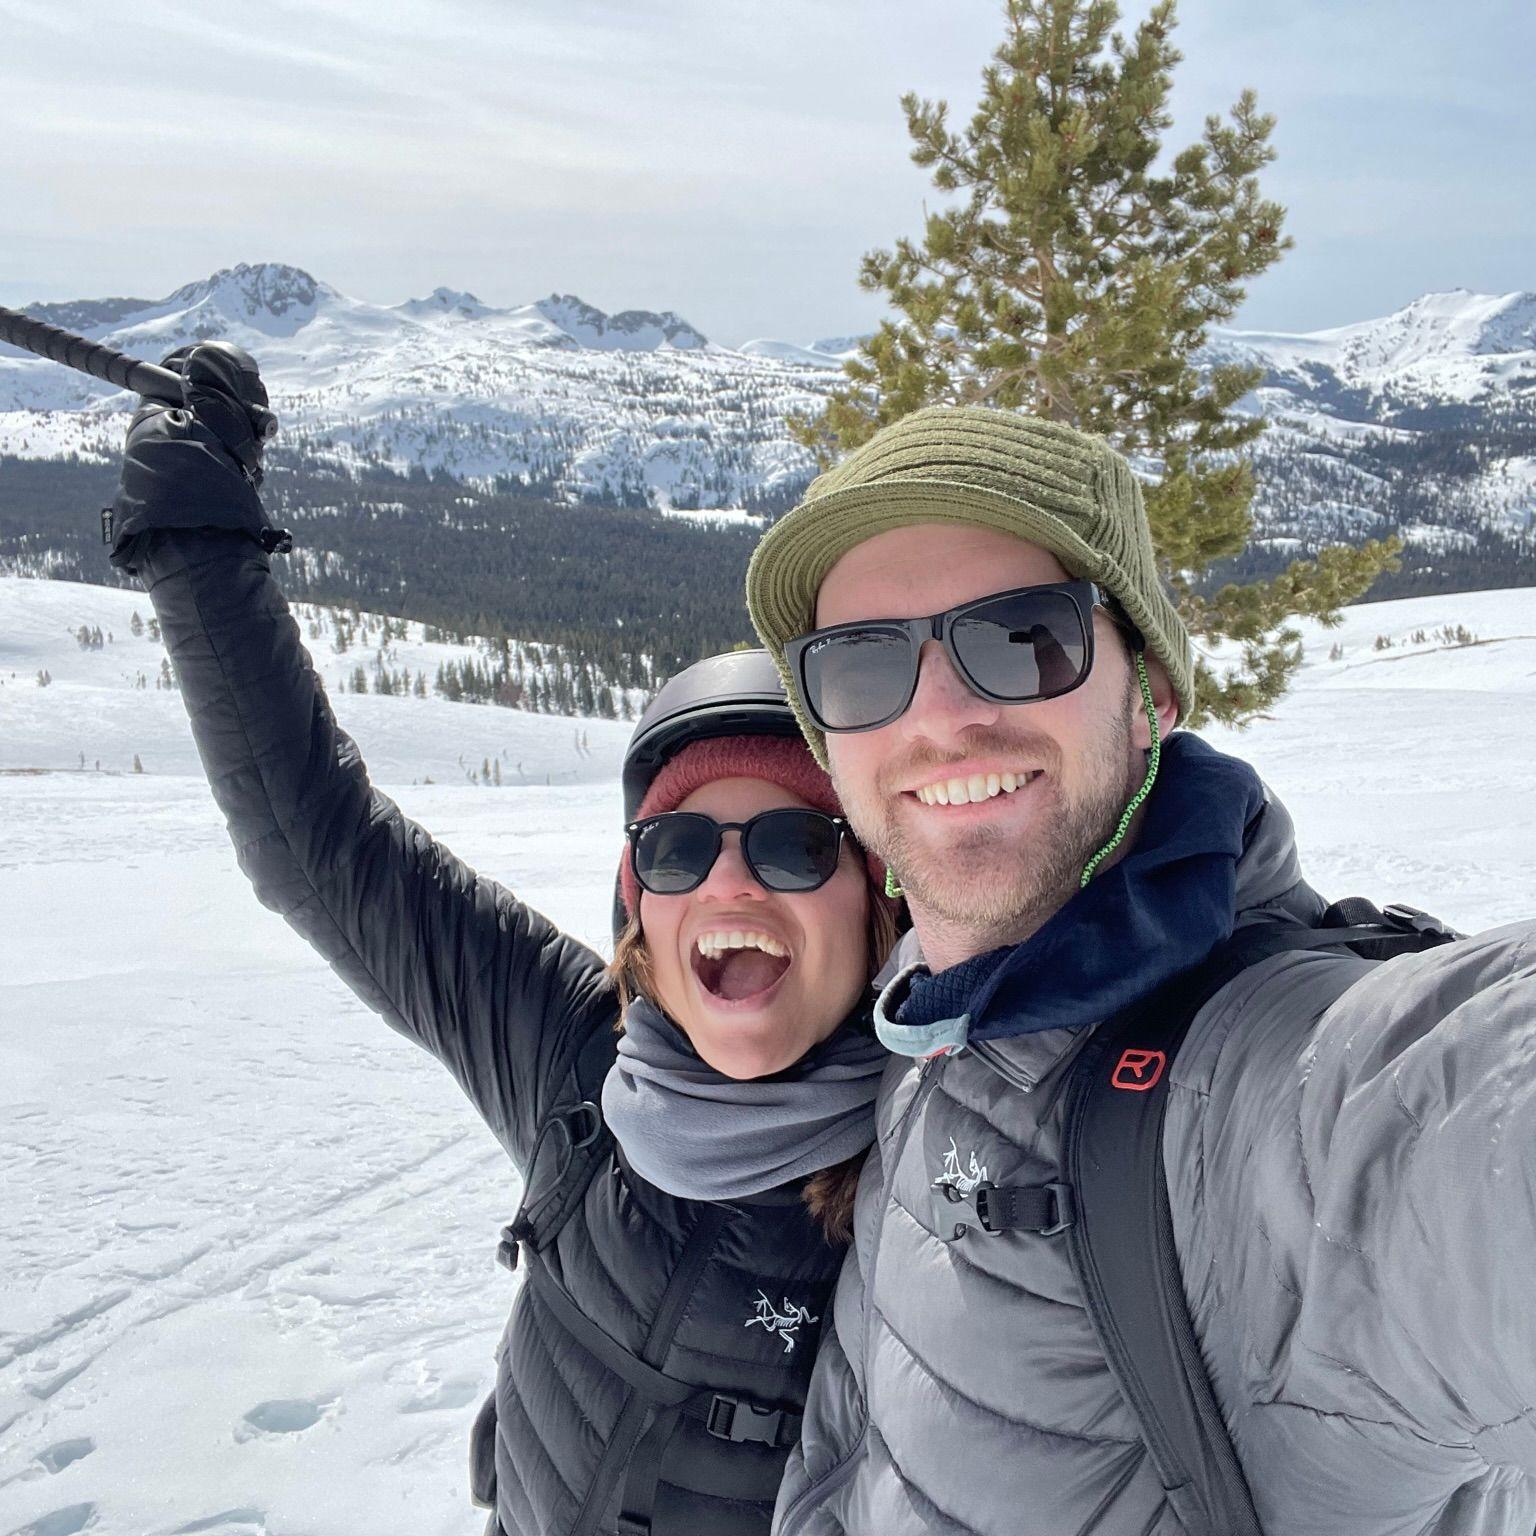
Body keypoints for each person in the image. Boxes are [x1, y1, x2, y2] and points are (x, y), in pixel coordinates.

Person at [105, 341, 903, 1536]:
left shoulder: (941, 1169)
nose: (731, 878)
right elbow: (320, 847)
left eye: (794, 845)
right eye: (679, 850)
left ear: (875, 901)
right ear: (639, 905)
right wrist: (199, 540)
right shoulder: (575, 1059)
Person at [744, 404, 1536, 1536]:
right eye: (862, 667)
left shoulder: (1272, 1089)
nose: (942, 719)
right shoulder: (927, 1011)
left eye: (1023, 638)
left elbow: (1458, 1130)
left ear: (1153, 690)